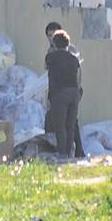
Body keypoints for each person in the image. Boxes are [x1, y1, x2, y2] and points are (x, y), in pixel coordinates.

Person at [45, 29, 83, 159]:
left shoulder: (51, 57)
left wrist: (50, 97)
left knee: (59, 125)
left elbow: (48, 71)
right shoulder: (74, 59)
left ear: (55, 43)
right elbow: (78, 77)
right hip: (74, 93)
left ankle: (62, 154)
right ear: (68, 44)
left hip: (60, 93)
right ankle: (69, 153)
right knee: (70, 126)